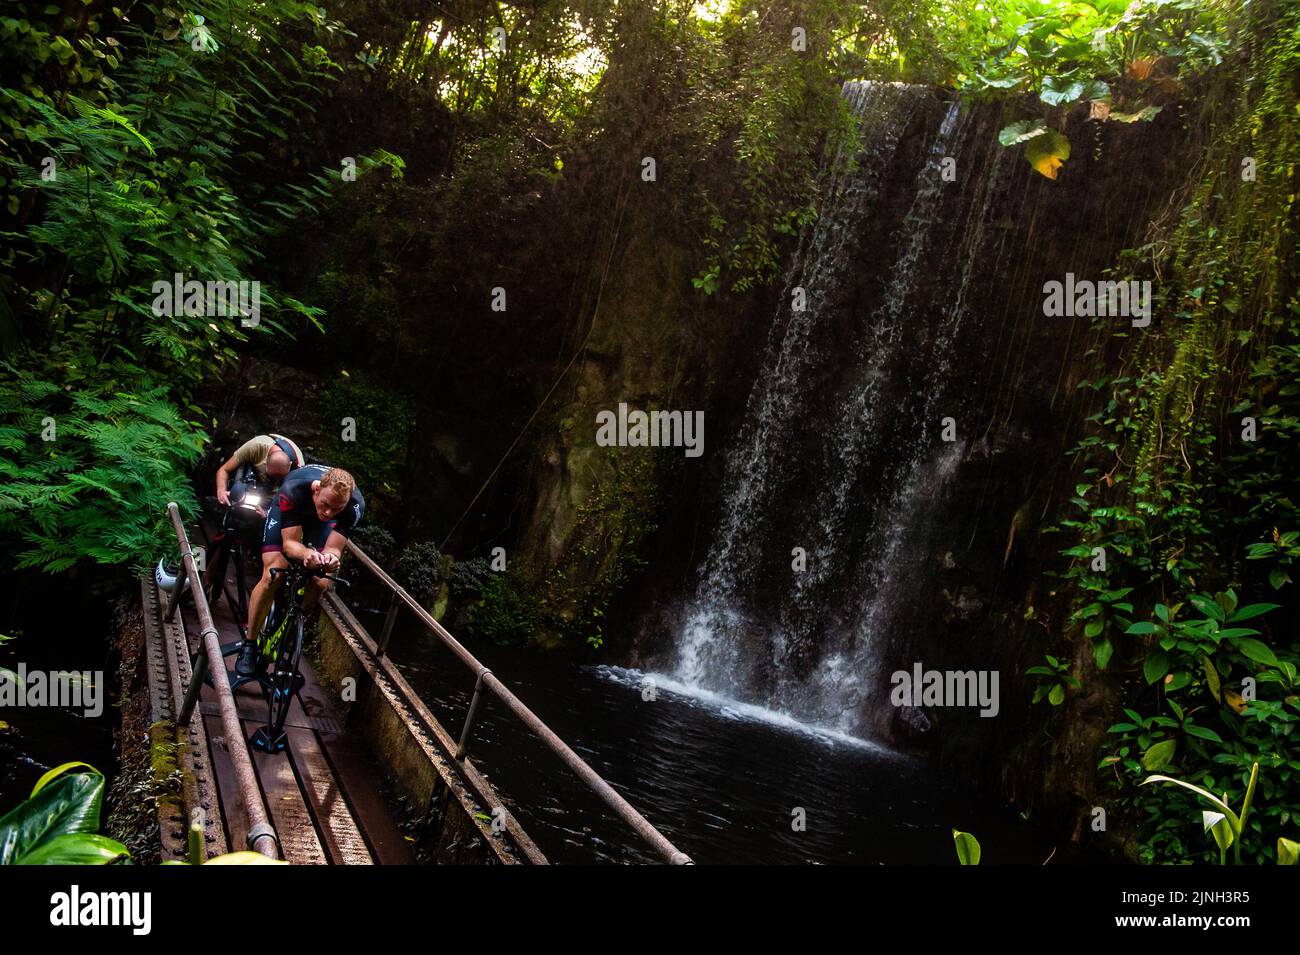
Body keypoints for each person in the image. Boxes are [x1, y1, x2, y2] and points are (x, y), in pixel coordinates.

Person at [238, 466, 364, 676]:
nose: (328, 512)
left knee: (322, 581)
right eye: (325, 504)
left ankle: (292, 625)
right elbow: (289, 545)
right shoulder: (294, 489)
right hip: (292, 511)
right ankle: (249, 645)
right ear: (316, 490)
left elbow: (334, 548)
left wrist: (330, 559)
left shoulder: (354, 507)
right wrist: (307, 554)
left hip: (320, 525)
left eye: (336, 509)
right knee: (274, 573)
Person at [214, 433, 305, 508]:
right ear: (266, 465)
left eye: (281, 479)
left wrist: (266, 513)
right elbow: (224, 470)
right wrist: (221, 491)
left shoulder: (298, 469)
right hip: (253, 474)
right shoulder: (256, 447)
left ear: (289, 467)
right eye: (273, 478)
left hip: (278, 493)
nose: (276, 482)